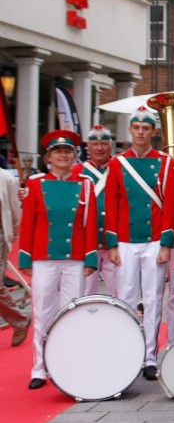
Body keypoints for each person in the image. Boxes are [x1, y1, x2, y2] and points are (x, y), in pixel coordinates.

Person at [105, 106, 174, 380]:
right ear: (130, 130)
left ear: (153, 132)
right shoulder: (117, 164)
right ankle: (127, 352)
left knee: (152, 299)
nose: (140, 133)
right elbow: (111, 204)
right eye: (136, 128)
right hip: (125, 239)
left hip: (154, 240)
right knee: (125, 298)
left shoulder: (165, 163)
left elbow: (169, 205)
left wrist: (166, 244)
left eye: (145, 129)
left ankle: (149, 356)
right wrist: (112, 243)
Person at [19, 130, 98, 389]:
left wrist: (90, 257)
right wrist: (26, 258)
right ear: (48, 157)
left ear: (74, 156)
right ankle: (39, 369)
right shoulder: (35, 184)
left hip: (74, 257)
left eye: (67, 152)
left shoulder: (85, 184)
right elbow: (28, 223)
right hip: (44, 257)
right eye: (58, 152)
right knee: (42, 312)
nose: (63, 156)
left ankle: (66, 364)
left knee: (70, 313)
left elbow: (90, 223)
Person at [74, 125, 120, 297]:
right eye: (95, 144)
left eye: (104, 144)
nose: (99, 148)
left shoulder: (121, 169)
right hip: (87, 243)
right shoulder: (77, 172)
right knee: (84, 294)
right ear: (88, 146)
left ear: (110, 146)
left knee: (119, 293)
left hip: (114, 243)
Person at [0, 164, 29, 347]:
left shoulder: (5, 178)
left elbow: (15, 210)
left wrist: (16, 234)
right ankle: (19, 321)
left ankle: (19, 321)